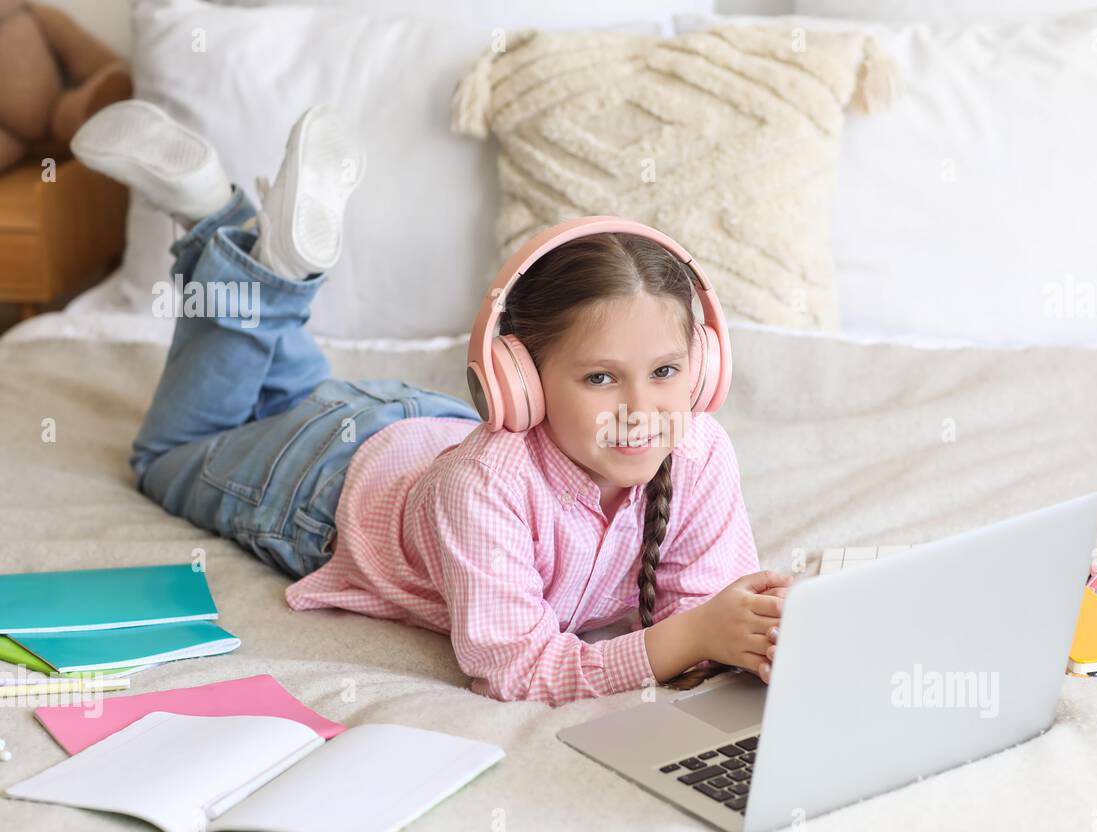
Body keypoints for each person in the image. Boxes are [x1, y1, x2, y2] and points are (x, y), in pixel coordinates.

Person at [73, 100, 790, 706]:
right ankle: (216, 220)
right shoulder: (489, 484)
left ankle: (259, 253)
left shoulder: (696, 446)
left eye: (665, 370)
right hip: (315, 483)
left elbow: (701, 610)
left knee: (286, 390)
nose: (643, 409)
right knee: (166, 456)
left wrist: (748, 632)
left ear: (703, 368)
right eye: (601, 379)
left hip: (412, 426)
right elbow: (519, 670)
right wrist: (687, 639)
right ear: (520, 381)